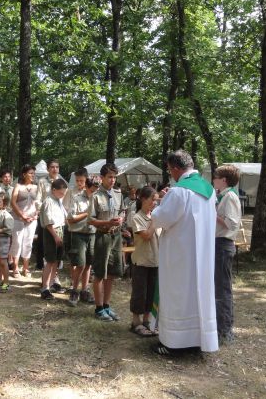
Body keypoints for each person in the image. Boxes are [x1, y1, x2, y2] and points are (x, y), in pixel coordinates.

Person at [150, 150, 218, 355]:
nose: (171, 174)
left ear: (177, 168)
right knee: (199, 294)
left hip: (179, 254)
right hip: (203, 253)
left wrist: (156, 206)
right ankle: (198, 339)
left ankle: (174, 343)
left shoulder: (179, 191)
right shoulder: (209, 189)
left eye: (170, 170)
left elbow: (161, 218)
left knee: (177, 294)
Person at [88, 163, 124, 322]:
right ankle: (98, 307)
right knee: (100, 273)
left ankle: (107, 305)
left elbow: (122, 210)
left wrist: (121, 219)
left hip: (116, 237)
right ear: (102, 178)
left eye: (115, 177)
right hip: (102, 236)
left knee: (112, 273)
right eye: (110, 177)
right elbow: (91, 220)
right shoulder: (96, 196)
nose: (113, 180)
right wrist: (107, 223)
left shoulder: (118, 194)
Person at [213, 165, 242, 344]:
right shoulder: (221, 195)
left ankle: (225, 329)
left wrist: (212, 213)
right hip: (218, 244)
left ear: (224, 180)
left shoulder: (230, 197)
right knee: (218, 287)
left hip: (223, 245)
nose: (213, 179)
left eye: (216, 177)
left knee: (223, 289)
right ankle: (219, 326)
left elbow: (231, 224)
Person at [129, 186, 160, 337]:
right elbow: (146, 235)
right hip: (141, 262)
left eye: (156, 200)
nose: (155, 203)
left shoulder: (154, 216)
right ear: (143, 199)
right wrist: (155, 220)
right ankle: (136, 322)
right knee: (139, 293)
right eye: (152, 200)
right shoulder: (137, 217)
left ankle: (147, 321)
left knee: (152, 293)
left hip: (155, 261)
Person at [66, 171, 98, 306]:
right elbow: (71, 219)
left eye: (96, 189)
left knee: (89, 264)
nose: (94, 192)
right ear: (86, 187)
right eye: (92, 189)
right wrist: (87, 213)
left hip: (92, 234)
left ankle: (84, 290)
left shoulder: (98, 198)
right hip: (78, 234)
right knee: (80, 264)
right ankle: (74, 291)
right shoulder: (77, 198)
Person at [36, 159, 65, 289]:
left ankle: (54, 280)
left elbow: (64, 202)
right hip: (48, 223)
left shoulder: (62, 182)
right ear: (48, 169)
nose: (54, 169)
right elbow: (38, 200)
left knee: (56, 258)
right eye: (52, 167)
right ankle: (45, 284)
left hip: (59, 223)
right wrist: (43, 210)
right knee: (48, 256)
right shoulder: (42, 182)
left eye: (57, 167)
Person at [39, 178, 68, 300]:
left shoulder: (58, 200)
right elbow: (48, 222)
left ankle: (52, 283)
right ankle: (44, 288)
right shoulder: (48, 201)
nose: (63, 195)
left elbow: (64, 216)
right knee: (50, 260)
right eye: (61, 192)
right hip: (52, 232)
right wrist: (55, 236)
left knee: (56, 260)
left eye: (64, 193)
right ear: (54, 190)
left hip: (60, 230)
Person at [9, 164, 39, 278]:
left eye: (33, 173)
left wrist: (35, 215)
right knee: (17, 242)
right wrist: (22, 215)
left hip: (32, 219)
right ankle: (15, 268)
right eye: (31, 173)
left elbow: (39, 203)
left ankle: (26, 268)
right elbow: (13, 202)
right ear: (24, 174)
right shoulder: (18, 186)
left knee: (28, 243)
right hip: (18, 218)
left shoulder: (36, 187)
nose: (33, 175)